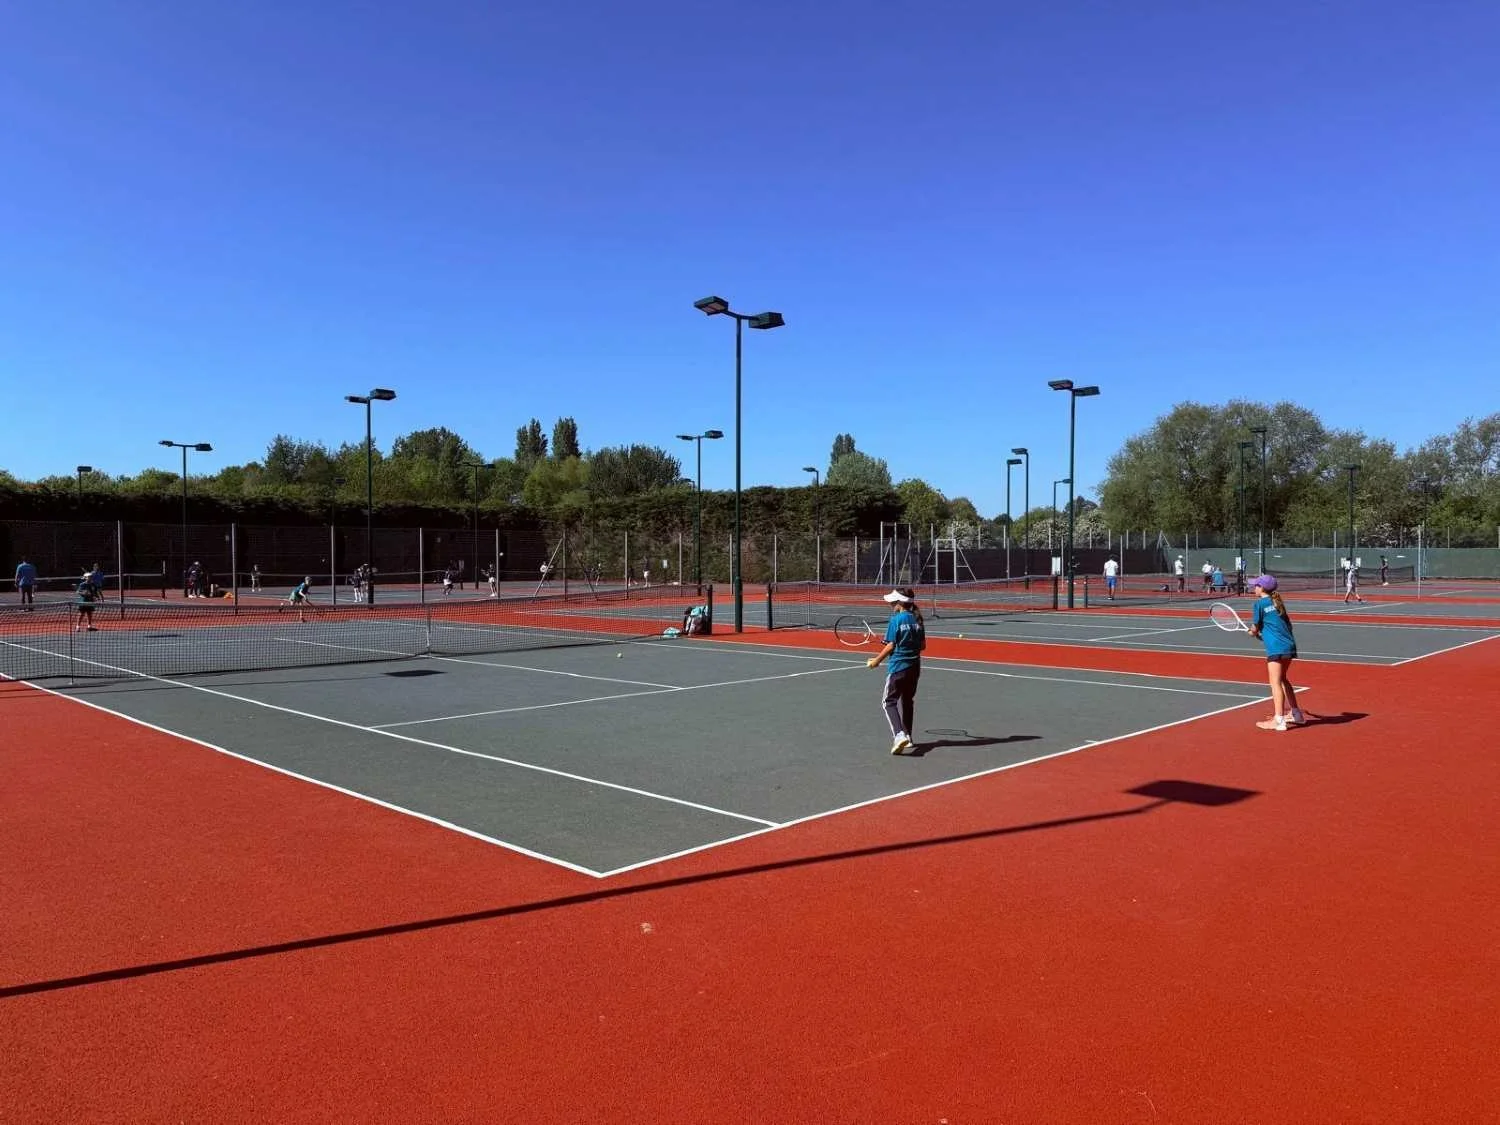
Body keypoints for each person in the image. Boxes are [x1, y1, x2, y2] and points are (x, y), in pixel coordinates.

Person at [865, 588, 926, 755]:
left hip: (898, 667)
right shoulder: (917, 619)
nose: (891, 604)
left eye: (893, 601)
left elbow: (891, 645)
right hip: (914, 668)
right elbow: (922, 646)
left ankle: (899, 736)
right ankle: (908, 737)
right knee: (907, 701)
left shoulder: (896, 620)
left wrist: (876, 661)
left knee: (888, 702)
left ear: (900, 602)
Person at [1247, 575, 1305, 731]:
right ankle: (1296, 714)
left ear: (1262, 588)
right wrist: (1263, 635)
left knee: (1275, 683)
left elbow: (1255, 628)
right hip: (1288, 645)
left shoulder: (1259, 604)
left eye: (1256, 585)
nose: (1254, 588)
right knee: (1283, 679)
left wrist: (1253, 633)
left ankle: (1279, 720)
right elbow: (1283, 626)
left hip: (1277, 648)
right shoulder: (1277, 602)